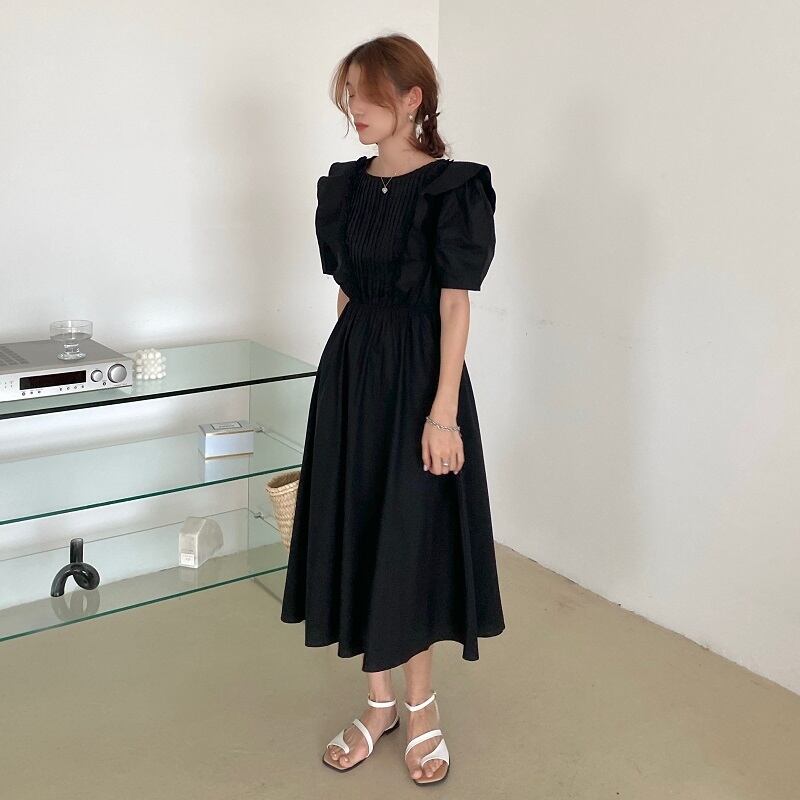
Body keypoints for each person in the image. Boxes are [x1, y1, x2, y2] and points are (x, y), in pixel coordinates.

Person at [280, 32, 505, 786]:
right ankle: (378, 705)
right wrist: (344, 384)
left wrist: (442, 414)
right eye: (349, 94)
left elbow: (454, 306)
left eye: (369, 93)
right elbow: (346, 292)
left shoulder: (453, 187)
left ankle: (421, 706)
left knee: (411, 539)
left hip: (418, 380)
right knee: (358, 525)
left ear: (413, 98)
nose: (355, 108)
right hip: (352, 377)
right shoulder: (343, 187)